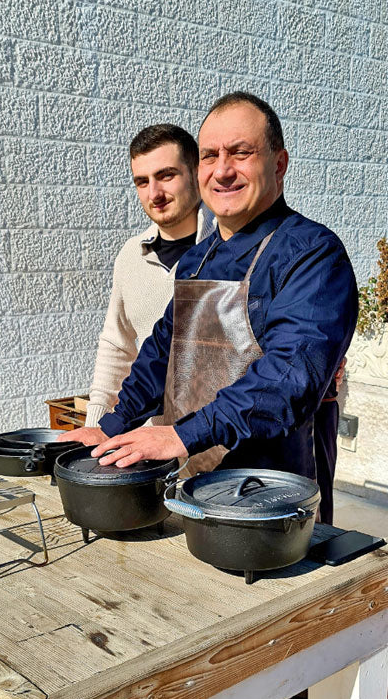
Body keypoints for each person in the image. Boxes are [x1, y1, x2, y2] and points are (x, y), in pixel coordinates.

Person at [60, 93, 358, 521]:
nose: (223, 170)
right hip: (194, 482)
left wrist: (182, 435)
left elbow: (289, 379)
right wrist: (112, 424)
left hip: (272, 493)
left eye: (241, 153)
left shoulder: (312, 255)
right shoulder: (198, 258)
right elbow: (162, 353)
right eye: (210, 156)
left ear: (279, 163)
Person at [85, 124, 215, 428]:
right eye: (142, 181)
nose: (154, 193)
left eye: (166, 175)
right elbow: (117, 345)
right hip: (150, 443)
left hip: (221, 444)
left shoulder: (227, 249)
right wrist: (94, 426)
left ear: (196, 172)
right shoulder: (131, 256)